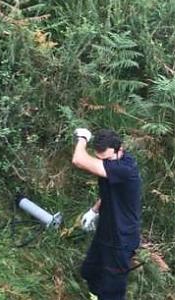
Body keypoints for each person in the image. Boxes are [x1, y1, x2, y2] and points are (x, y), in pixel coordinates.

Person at [71, 128, 142, 300]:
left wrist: (82, 138)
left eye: (108, 158)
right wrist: (94, 210)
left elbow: (78, 160)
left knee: (112, 292)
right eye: (100, 159)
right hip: (106, 230)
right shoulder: (113, 163)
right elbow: (112, 192)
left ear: (120, 149)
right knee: (90, 272)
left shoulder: (125, 169)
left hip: (121, 239)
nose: (104, 163)